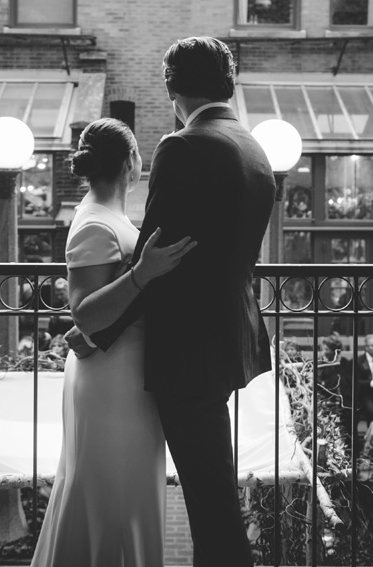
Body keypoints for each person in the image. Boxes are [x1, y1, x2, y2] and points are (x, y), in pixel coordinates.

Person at [87, 36, 276, 567]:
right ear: (228, 84)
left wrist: (99, 326)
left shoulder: (184, 145)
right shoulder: (252, 145)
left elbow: (155, 255)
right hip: (226, 338)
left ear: (172, 87)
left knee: (210, 504)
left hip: (187, 351)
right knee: (213, 492)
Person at [30, 117, 197, 567]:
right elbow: (84, 313)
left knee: (125, 497)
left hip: (125, 375)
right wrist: (143, 273)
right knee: (111, 500)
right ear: (131, 163)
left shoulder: (113, 217)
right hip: (111, 384)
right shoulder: (93, 224)